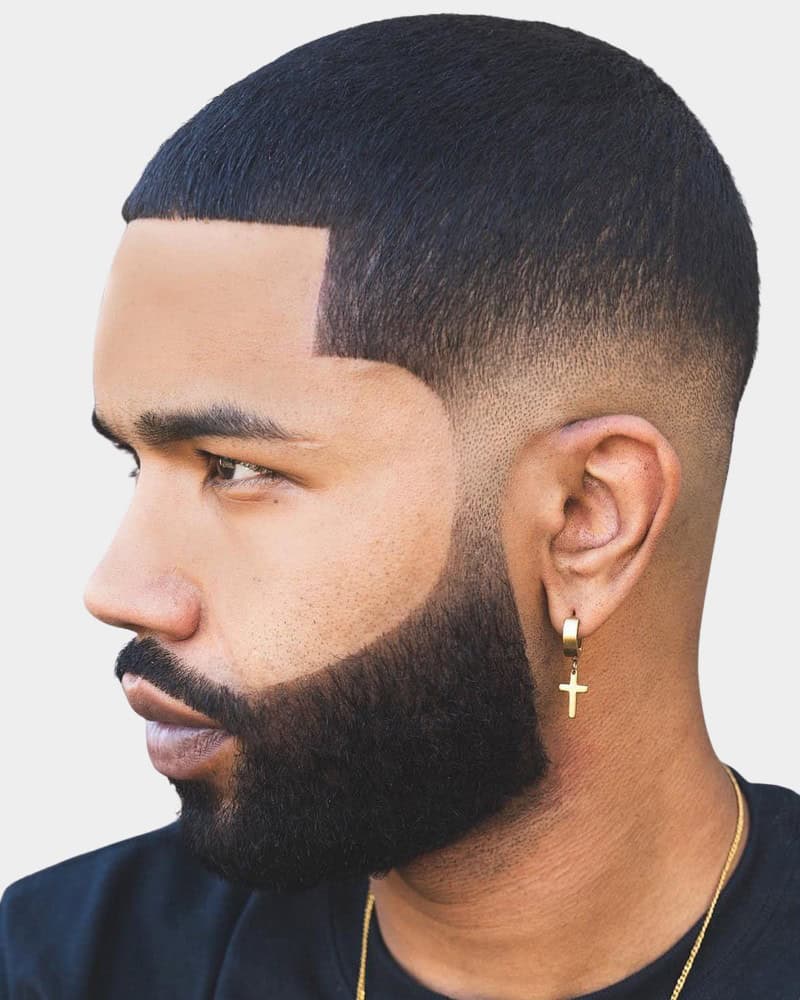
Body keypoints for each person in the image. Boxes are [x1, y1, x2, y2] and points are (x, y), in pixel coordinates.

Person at [1, 13, 797, 1000]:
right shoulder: (66, 966)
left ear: (583, 518)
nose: (117, 589)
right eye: (136, 464)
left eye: (234, 468)